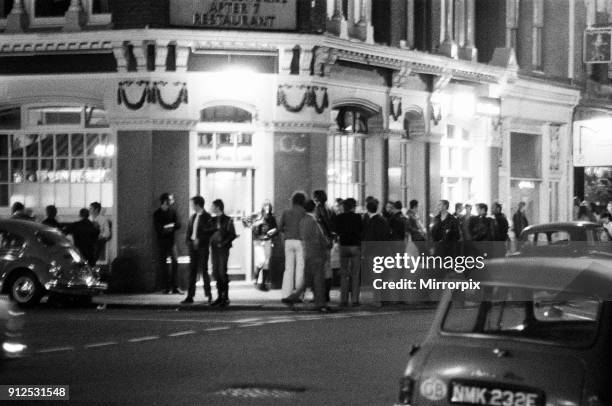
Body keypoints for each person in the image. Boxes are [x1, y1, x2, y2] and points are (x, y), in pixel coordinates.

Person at [286, 200, 330, 312]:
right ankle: (320, 304)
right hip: (317, 253)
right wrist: (326, 245)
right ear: (314, 208)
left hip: (308, 253)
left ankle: (292, 297)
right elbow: (319, 238)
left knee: (307, 280)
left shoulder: (303, 221)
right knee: (319, 280)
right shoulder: (314, 221)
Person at [183, 196, 214, 304]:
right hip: (193, 248)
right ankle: (190, 296)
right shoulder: (192, 217)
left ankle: (208, 294)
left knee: (204, 271)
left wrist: (199, 240)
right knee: (192, 271)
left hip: (202, 247)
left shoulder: (207, 217)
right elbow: (188, 232)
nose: (191, 206)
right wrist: (189, 242)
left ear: (197, 205)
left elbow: (209, 233)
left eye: (192, 204)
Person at [335, 198, 363, 307]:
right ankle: (355, 300)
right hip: (355, 246)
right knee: (355, 274)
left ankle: (344, 300)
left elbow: (337, 230)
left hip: (343, 246)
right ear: (353, 207)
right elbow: (361, 230)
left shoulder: (339, 217)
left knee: (344, 274)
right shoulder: (358, 217)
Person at [279, 191, 306, 304]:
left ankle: (286, 293)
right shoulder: (304, 213)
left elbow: (280, 227)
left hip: (288, 240)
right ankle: (298, 295)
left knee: (288, 268)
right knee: (300, 268)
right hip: (301, 241)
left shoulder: (286, 212)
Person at [209, 199, 237, 307]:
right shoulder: (212, 220)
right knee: (216, 271)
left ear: (218, 207)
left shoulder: (228, 220)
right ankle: (219, 296)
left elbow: (232, 234)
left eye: (213, 206)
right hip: (214, 248)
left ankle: (225, 297)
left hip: (223, 249)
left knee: (222, 271)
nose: (211, 208)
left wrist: (224, 243)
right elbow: (208, 231)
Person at [153, 193, 181, 294]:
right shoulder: (157, 213)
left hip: (171, 241)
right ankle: (166, 287)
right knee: (163, 264)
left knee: (175, 261)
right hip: (161, 241)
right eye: (170, 199)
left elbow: (178, 224)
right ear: (165, 201)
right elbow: (158, 228)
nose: (172, 201)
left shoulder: (173, 212)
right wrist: (167, 228)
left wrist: (170, 227)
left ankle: (175, 286)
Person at [313, 190, 336, 302]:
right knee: (327, 266)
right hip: (328, 239)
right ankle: (326, 293)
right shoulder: (329, 209)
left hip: (320, 240)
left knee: (319, 267)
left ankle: (320, 293)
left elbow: (320, 224)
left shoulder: (318, 209)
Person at [252, 201, 277, 291]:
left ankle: (263, 283)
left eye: (268, 208)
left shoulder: (272, 218)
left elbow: (275, 229)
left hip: (267, 240)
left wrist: (272, 234)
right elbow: (254, 229)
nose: (267, 210)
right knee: (261, 260)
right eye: (265, 208)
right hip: (258, 241)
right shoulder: (258, 217)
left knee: (266, 262)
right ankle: (256, 277)